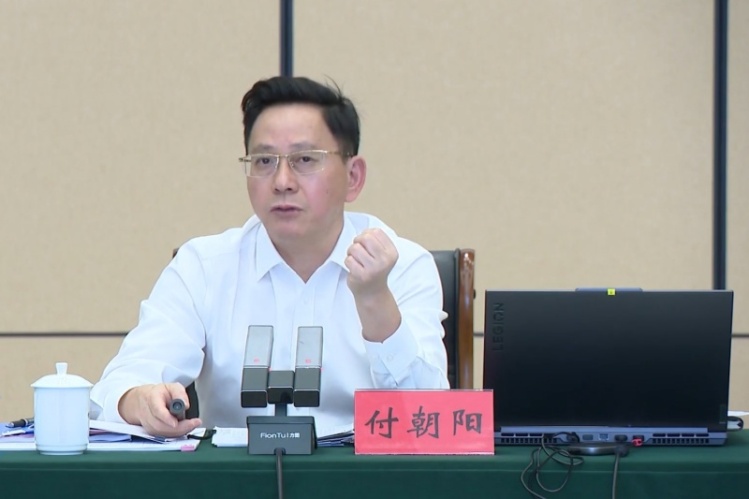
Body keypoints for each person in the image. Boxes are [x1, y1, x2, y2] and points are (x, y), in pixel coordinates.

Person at [90, 76, 449, 438]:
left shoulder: (403, 267)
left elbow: (431, 418)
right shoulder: (204, 267)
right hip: (236, 470)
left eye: (304, 159)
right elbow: (119, 385)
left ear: (353, 177)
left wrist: (375, 300)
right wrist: (139, 400)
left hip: (366, 471)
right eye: (264, 161)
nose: (282, 181)